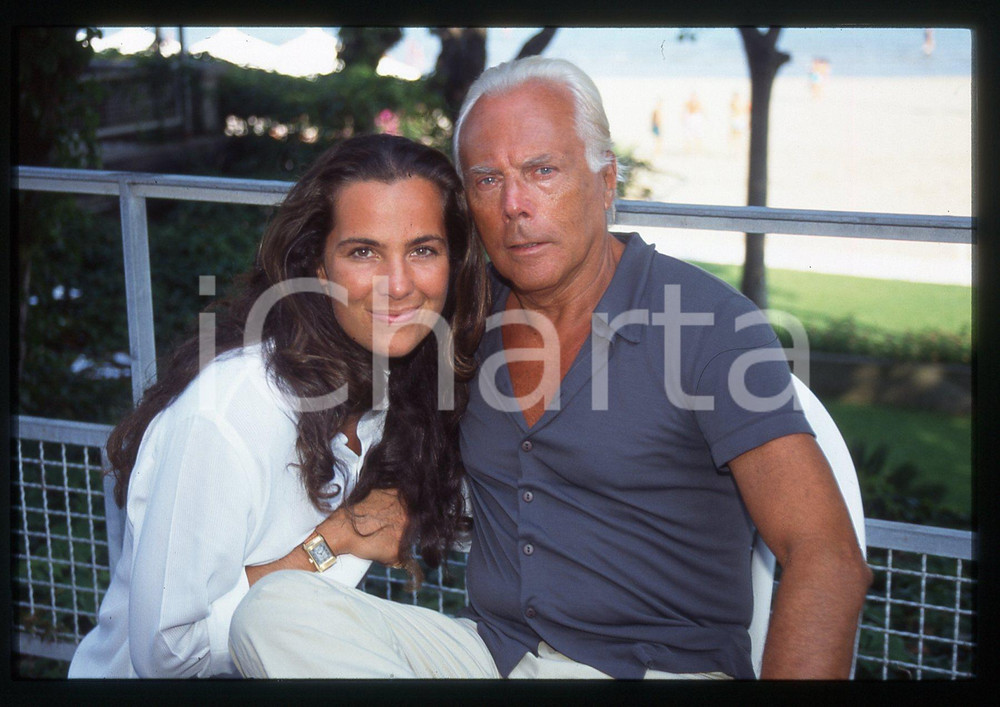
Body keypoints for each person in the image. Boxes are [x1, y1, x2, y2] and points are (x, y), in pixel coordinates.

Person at [229, 57, 871, 680]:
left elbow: (827, 555)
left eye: (542, 170)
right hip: (492, 655)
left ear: (606, 181)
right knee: (274, 614)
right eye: (486, 179)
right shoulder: (467, 325)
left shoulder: (709, 326)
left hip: (652, 671)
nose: (514, 204)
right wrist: (350, 523)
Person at [67, 134, 489, 678]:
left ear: (453, 264)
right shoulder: (232, 411)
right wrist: (336, 538)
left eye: (423, 250)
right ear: (319, 267)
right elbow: (168, 654)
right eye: (364, 251)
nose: (399, 284)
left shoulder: (395, 387)